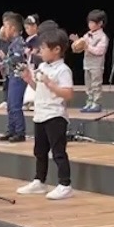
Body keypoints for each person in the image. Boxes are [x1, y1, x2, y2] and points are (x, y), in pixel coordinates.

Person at [17, 27, 75, 199]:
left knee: (58, 152)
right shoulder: (42, 66)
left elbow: (68, 94)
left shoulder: (63, 70)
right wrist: (28, 79)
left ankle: (65, 184)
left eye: (43, 48)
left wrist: (50, 83)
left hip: (55, 115)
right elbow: (39, 88)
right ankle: (39, 181)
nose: (40, 51)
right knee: (40, 151)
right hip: (40, 114)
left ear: (56, 49)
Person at [0, 13, 28, 142]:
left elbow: (17, 57)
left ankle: (20, 132)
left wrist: (4, 62)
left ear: (12, 28)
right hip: (12, 76)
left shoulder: (19, 42)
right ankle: (11, 130)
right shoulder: (13, 43)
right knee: (10, 105)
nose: (4, 30)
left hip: (18, 77)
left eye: (5, 26)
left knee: (15, 105)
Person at [70, 10, 109, 113]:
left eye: (92, 22)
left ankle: (96, 103)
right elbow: (79, 48)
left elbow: (99, 51)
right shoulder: (87, 35)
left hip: (96, 65)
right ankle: (89, 102)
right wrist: (77, 42)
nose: (90, 25)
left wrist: (87, 46)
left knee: (96, 84)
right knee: (88, 85)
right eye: (89, 22)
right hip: (87, 64)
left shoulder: (103, 37)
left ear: (100, 23)